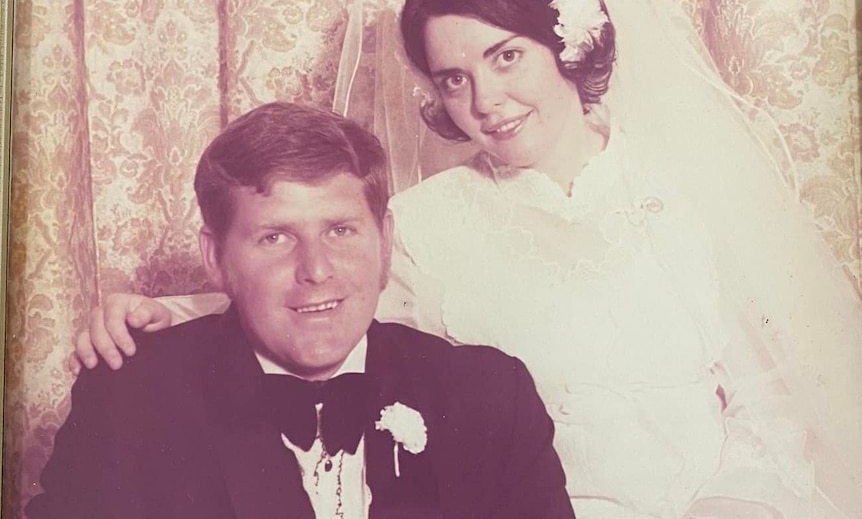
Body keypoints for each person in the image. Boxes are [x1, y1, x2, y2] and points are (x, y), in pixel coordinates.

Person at [72, 0, 862, 518]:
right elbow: (317, 312)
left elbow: (773, 407)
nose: (484, 99)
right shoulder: (428, 221)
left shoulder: (689, 197)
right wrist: (155, 315)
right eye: (454, 77)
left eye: (506, 56)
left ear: (568, 46)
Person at [28, 101, 574, 519]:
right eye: (275, 237)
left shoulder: (490, 397)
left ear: (384, 241)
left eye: (340, 230)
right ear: (216, 259)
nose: (316, 269)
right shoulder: (132, 401)